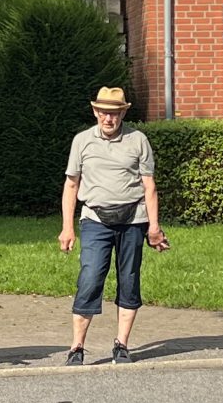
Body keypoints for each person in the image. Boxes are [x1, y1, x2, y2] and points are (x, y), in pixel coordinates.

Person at [59, 86, 167, 365]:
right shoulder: (82, 141)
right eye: (104, 113)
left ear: (123, 114)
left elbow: (149, 186)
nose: (109, 119)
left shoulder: (138, 140)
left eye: (115, 113)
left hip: (133, 219)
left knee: (129, 280)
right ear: (96, 112)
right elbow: (71, 185)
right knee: (90, 277)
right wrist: (67, 228)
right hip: (95, 219)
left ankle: (121, 345)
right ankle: (77, 347)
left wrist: (154, 228)